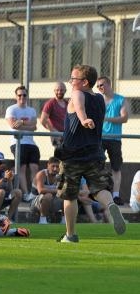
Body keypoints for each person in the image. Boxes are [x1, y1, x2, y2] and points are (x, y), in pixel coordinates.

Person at [56, 64, 125, 242]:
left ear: (85, 82)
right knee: (99, 188)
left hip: (72, 154)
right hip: (95, 153)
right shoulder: (100, 99)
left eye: (73, 79)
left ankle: (70, 235)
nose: (71, 82)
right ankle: (110, 205)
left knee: (70, 196)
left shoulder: (77, 93)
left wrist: (83, 119)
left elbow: (79, 107)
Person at [97, 76, 130, 206]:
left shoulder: (120, 99)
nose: (100, 88)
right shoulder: (98, 100)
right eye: (98, 86)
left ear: (109, 84)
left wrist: (106, 119)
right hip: (100, 138)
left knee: (116, 167)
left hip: (114, 138)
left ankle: (116, 196)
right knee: (97, 166)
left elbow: (124, 118)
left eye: (102, 85)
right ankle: (99, 193)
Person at [5, 85, 40, 202]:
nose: (22, 97)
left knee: (34, 168)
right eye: (19, 95)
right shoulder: (11, 109)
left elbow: (34, 126)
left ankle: (34, 193)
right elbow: (12, 125)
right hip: (18, 142)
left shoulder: (32, 110)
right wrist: (27, 124)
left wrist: (21, 122)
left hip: (31, 143)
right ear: (16, 96)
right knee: (22, 169)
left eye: (24, 95)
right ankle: (26, 193)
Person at [30, 157, 64, 224]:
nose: (55, 169)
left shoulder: (61, 177)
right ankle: (42, 219)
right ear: (48, 165)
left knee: (66, 196)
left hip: (52, 201)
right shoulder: (41, 174)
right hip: (35, 203)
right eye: (53, 166)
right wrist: (58, 191)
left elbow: (61, 191)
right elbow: (41, 190)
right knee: (48, 195)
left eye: (57, 167)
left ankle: (64, 220)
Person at [40, 82, 67, 147]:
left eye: (61, 90)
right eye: (57, 90)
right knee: (59, 155)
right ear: (54, 91)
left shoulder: (67, 103)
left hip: (67, 135)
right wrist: (53, 131)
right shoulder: (50, 103)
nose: (59, 92)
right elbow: (43, 120)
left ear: (65, 91)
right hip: (57, 137)